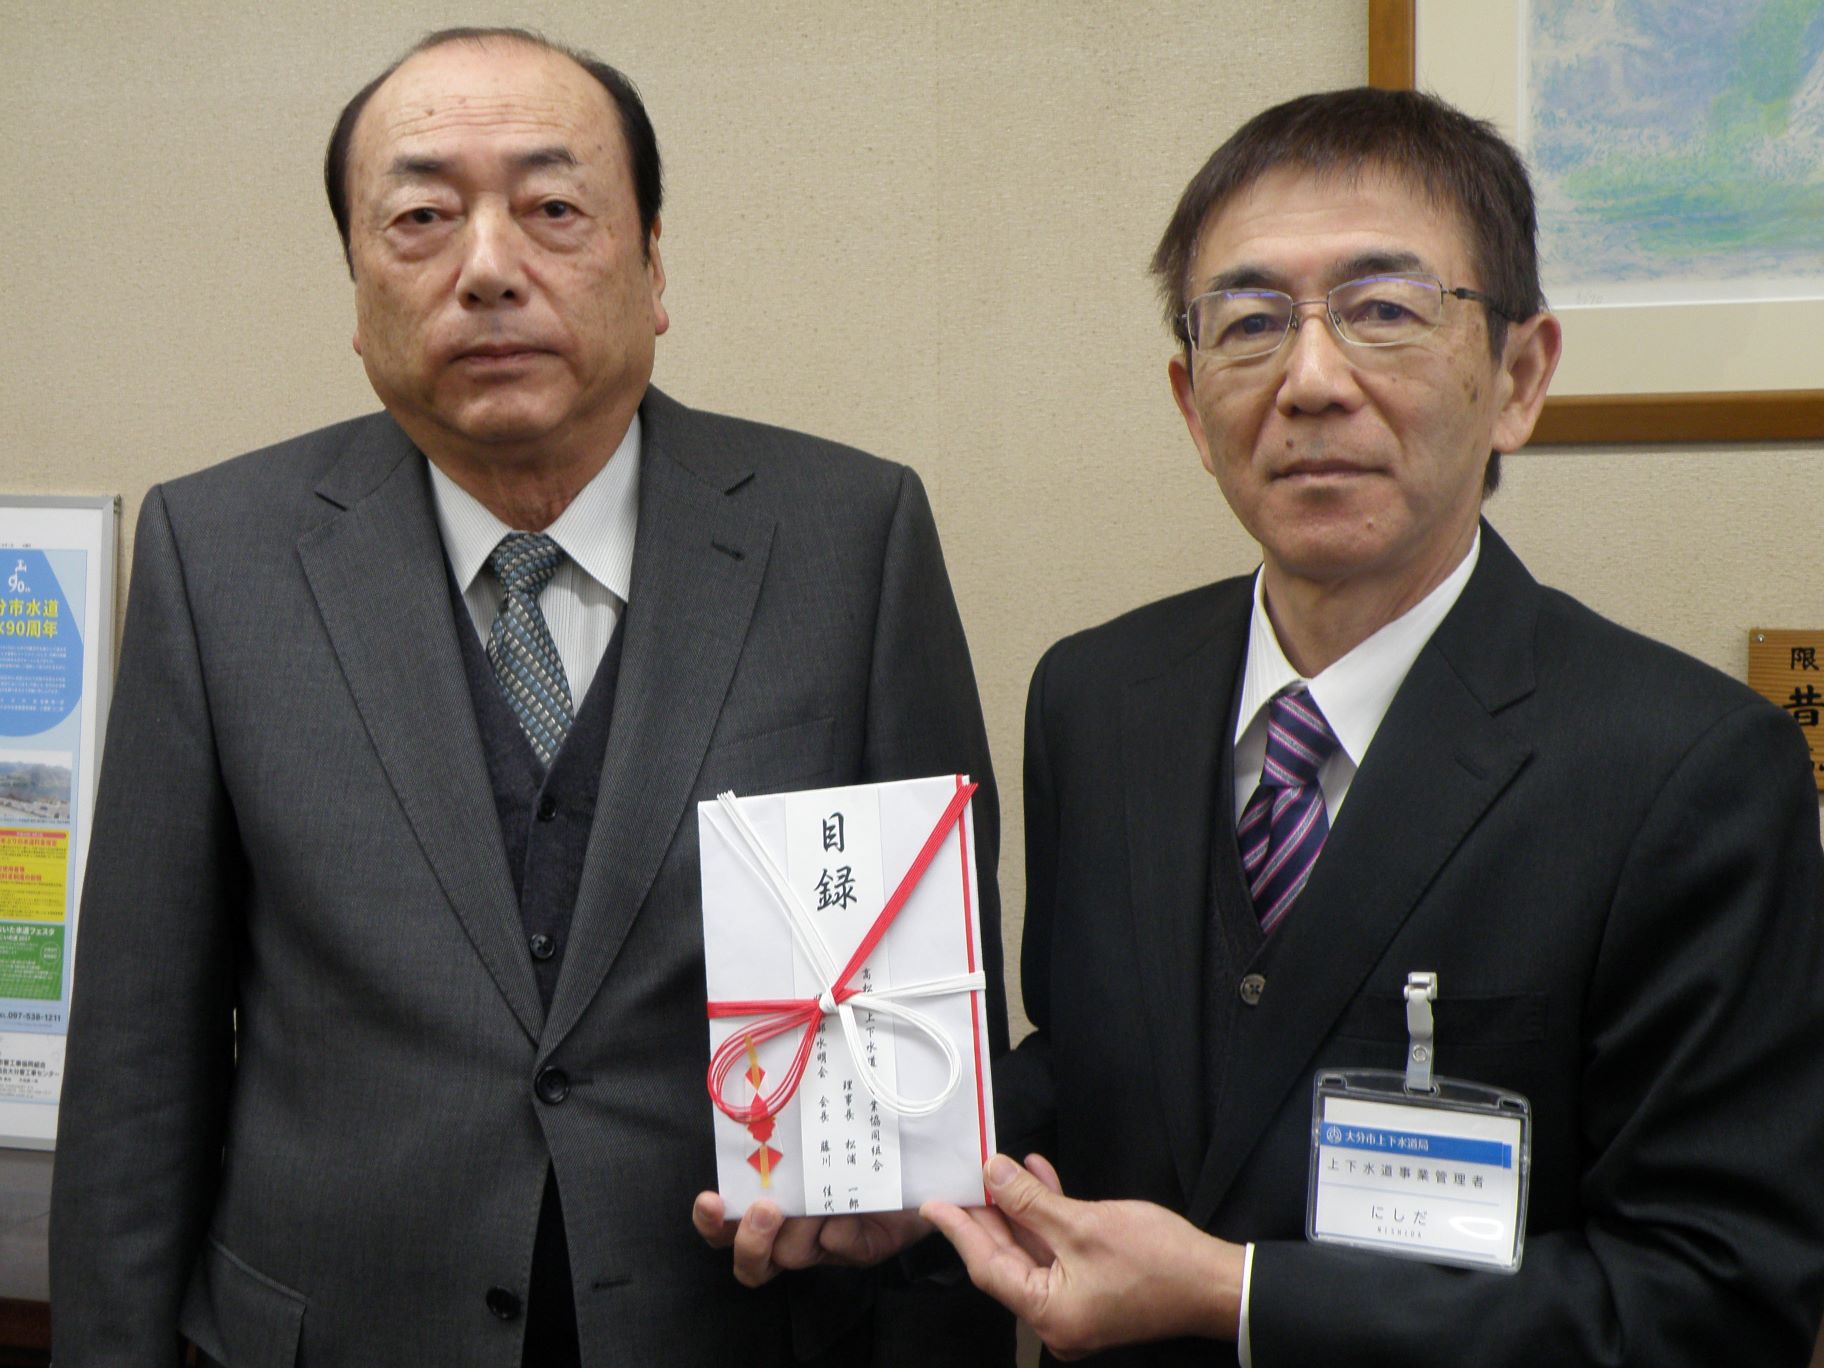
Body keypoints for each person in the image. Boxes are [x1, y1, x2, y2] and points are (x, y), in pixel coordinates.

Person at [49, 27, 1009, 1367]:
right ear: (356, 291)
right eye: (421, 219)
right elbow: (137, 1066)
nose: (489, 267)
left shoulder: (851, 539)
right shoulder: (218, 557)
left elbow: (939, 1042)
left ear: (654, 265)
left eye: (554, 208)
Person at [912, 88, 1824, 1364]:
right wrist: (885, 1175)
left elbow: (1718, 1298)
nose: (1310, 380)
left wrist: (1237, 1297)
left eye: (1384, 310)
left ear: (1519, 379)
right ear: (1189, 403)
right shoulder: (1094, 696)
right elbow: (1087, 1068)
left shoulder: (1690, 769)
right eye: (1249, 323)